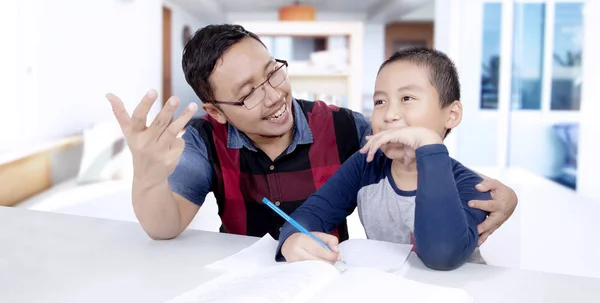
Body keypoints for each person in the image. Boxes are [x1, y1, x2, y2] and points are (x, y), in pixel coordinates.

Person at [105, 24, 517, 245]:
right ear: (216, 111)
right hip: (240, 277)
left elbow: (416, 150)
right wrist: (147, 173)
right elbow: (163, 227)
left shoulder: (344, 126)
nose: (273, 96)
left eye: (273, 73)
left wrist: (502, 195)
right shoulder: (202, 137)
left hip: (327, 273)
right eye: (248, 93)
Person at [278, 48, 499, 270]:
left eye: (407, 98)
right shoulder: (365, 165)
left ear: (451, 115)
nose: (389, 114)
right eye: (380, 102)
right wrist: (293, 238)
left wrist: (429, 145)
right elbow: (312, 213)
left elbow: (441, 256)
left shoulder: (472, 186)